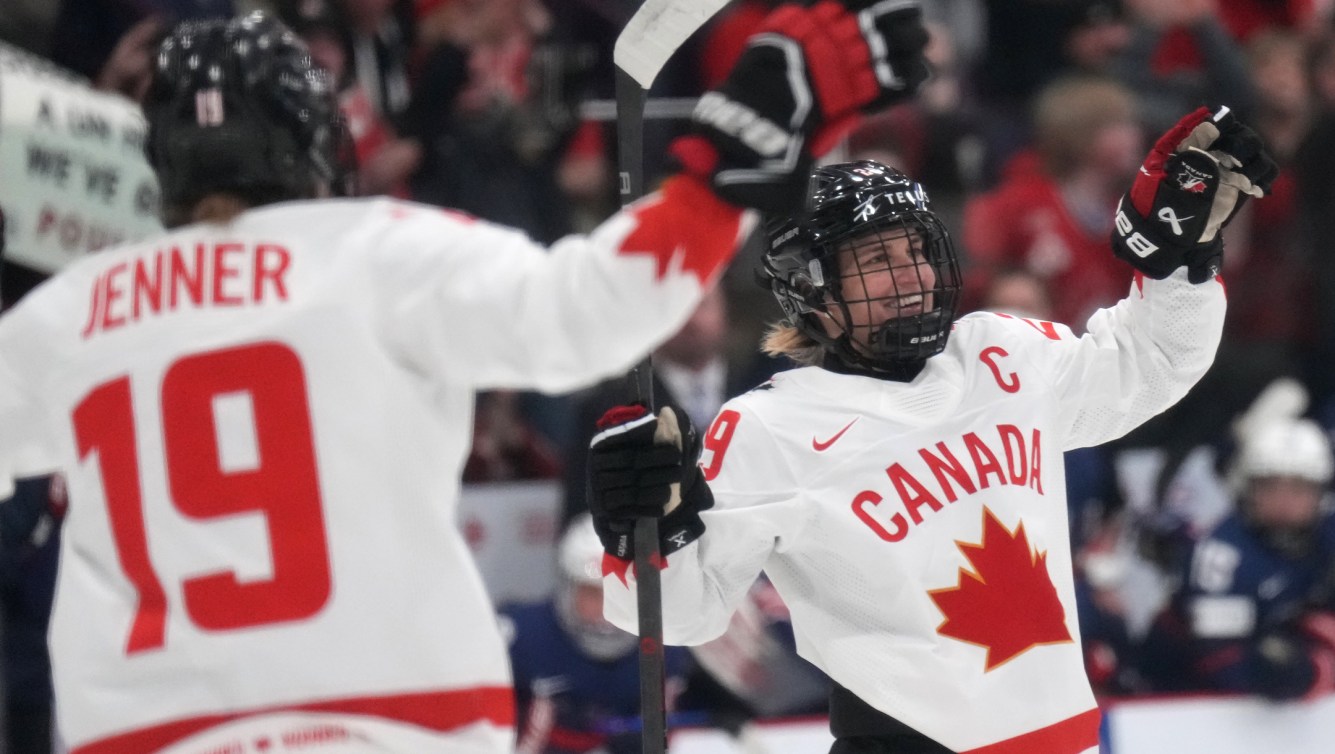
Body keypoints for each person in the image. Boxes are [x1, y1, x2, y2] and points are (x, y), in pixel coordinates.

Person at [0, 4, 930, 752]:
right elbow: (587, 310)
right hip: (397, 715)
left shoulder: (69, 313)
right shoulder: (381, 255)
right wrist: (722, 171)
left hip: (144, 727)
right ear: (317, 134)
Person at [587, 106, 1277, 753]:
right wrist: (637, 527)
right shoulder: (770, 427)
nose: (910, 276)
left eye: (913, 251)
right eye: (876, 262)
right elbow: (678, 617)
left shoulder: (998, 355)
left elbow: (1148, 366)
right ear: (814, 293)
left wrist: (1176, 264)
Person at [1140, 416, 1335, 700]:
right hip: (1183, 703)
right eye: (1270, 486)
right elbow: (1219, 658)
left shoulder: (1326, 537)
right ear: (1249, 488)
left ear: (1320, 494)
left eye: (1298, 488)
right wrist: (1308, 671)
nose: (1284, 501)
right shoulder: (1221, 554)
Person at [499, 514, 694, 754]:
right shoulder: (522, 636)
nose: (608, 609)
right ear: (569, 590)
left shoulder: (669, 646)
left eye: (622, 592)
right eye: (594, 594)